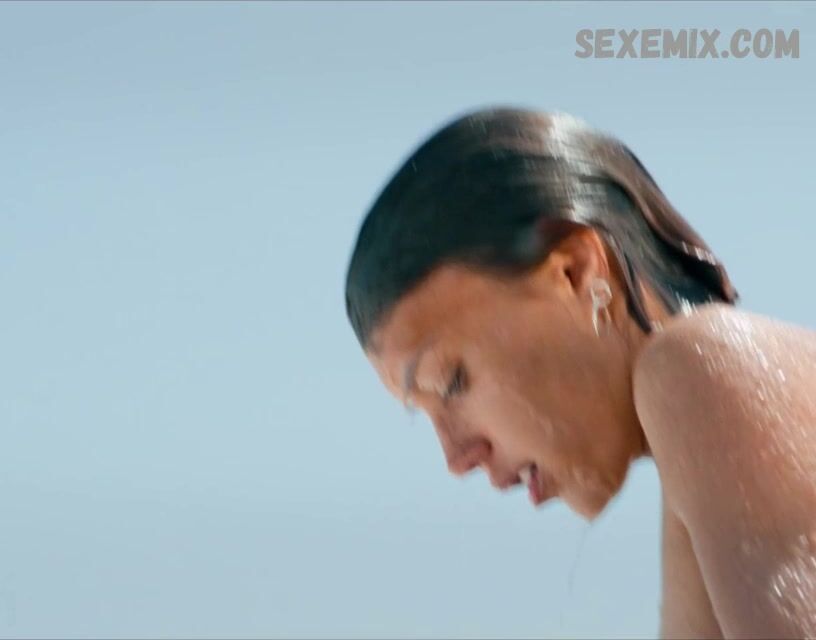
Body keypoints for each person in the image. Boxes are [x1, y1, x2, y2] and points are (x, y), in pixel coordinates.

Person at [343, 107, 816, 639]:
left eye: (451, 381)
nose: (456, 458)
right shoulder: (695, 473)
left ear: (576, 271)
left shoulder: (699, 364)